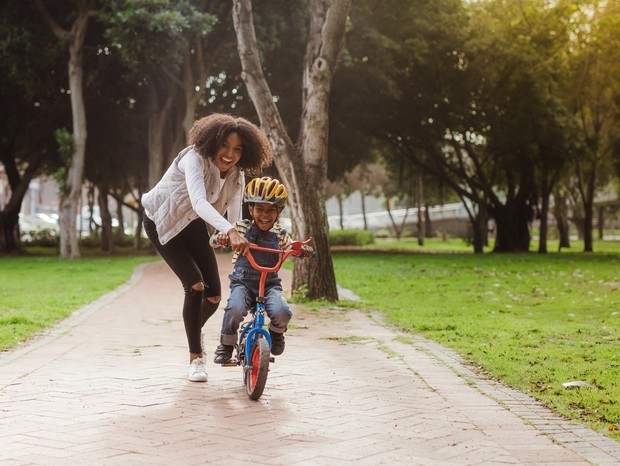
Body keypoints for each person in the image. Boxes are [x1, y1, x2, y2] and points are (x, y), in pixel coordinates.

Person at [141, 113, 273, 382]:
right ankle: (196, 358)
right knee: (195, 286)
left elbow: (236, 209)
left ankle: (193, 330)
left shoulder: (237, 174)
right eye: (224, 145)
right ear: (213, 141)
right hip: (160, 221)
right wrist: (229, 230)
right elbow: (199, 202)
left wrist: (234, 231)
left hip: (192, 225)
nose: (229, 154)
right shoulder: (194, 158)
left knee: (213, 296)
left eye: (237, 149)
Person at [211, 177, 314, 364]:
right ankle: (226, 344)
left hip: (269, 285)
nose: (264, 215)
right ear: (250, 209)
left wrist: (302, 250)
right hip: (243, 282)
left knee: (283, 311)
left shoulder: (280, 233)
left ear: (279, 211)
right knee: (234, 309)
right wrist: (221, 238)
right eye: (259, 209)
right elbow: (214, 241)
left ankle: (276, 333)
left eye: (270, 210)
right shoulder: (241, 228)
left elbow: (292, 245)